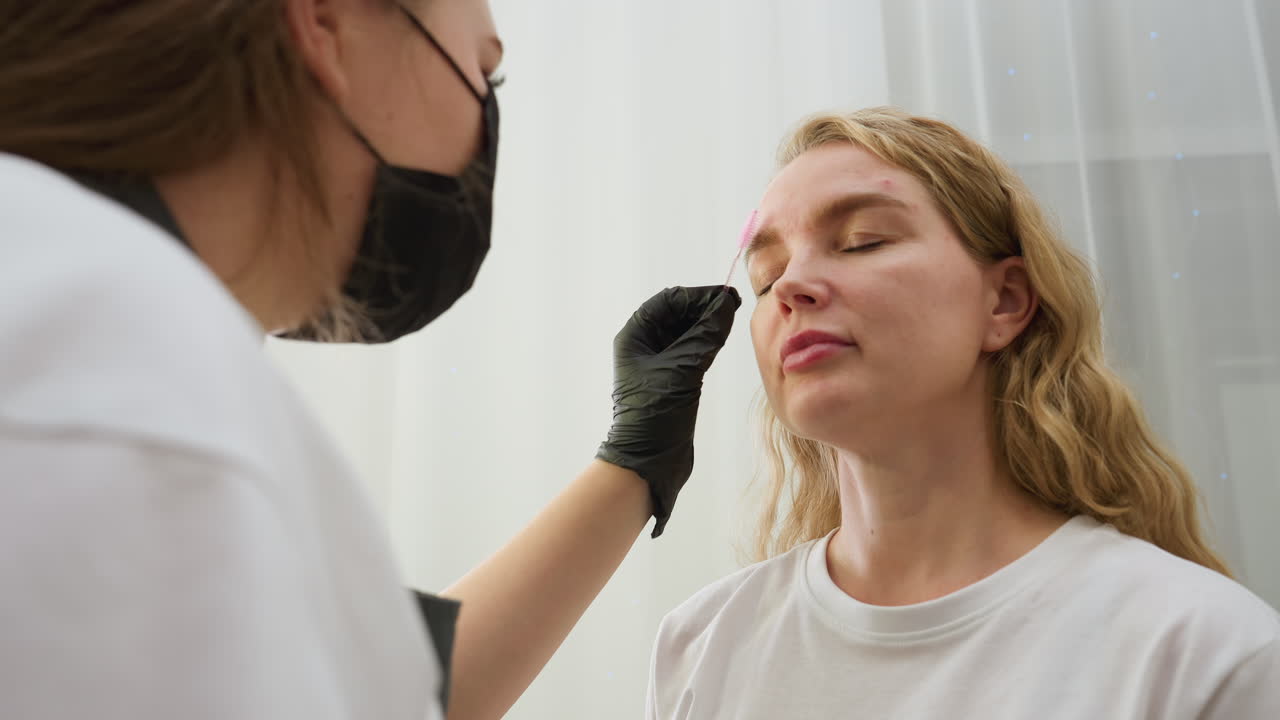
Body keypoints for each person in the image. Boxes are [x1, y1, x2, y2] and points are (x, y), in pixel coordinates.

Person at [0, 1, 739, 719]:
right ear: (326, 24)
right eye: (487, 77)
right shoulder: (130, 393)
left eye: (861, 239)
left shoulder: (99, 339)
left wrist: (633, 465)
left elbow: (374, 690)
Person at [647, 107, 1280, 719]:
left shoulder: (1203, 651)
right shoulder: (702, 646)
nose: (790, 286)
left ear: (1004, 301)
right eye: (765, 275)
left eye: (862, 242)